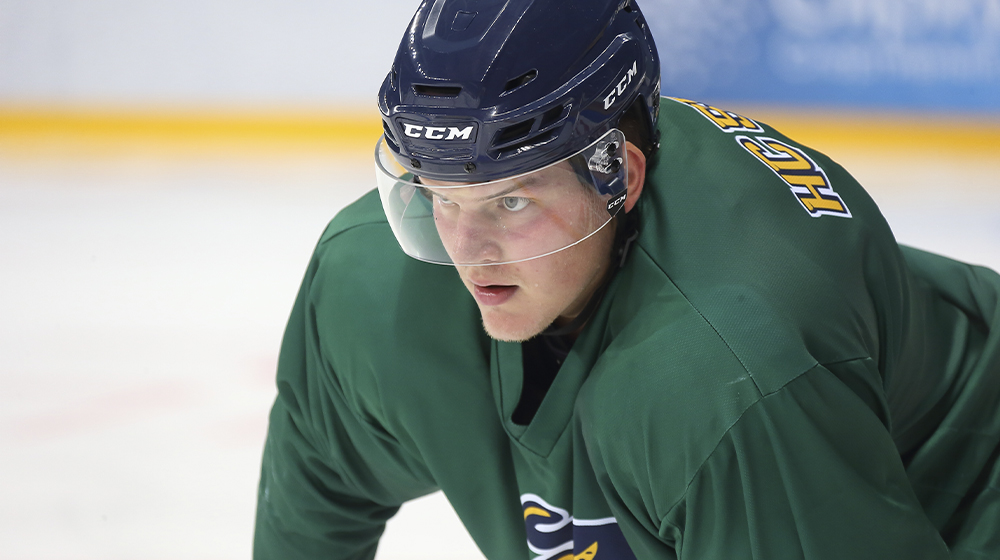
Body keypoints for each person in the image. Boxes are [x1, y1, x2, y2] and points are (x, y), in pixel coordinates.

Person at [253, 0, 1000, 558]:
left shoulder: (726, 369)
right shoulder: (371, 287)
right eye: (440, 197)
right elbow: (315, 505)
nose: (469, 251)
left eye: (510, 201)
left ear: (619, 174)